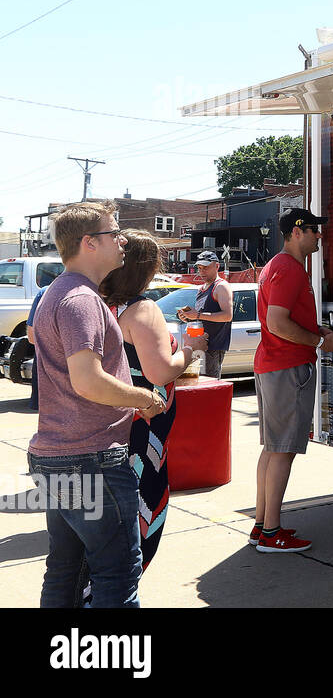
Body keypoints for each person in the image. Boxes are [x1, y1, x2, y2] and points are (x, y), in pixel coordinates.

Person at [27, 201, 165, 608]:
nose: (122, 240)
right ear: (88, 243)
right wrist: (144, 398)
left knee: (65, 572)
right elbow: (88, 381)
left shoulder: (61, 292)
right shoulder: (82, 300)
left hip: (59, 458)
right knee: (117, 575)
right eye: (113, 233)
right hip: (91, 461)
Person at [99, 230, 206, 574]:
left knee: (106, 525)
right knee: (139, 521)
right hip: (143, 432)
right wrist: (191, 351)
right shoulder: (142, 310)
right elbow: (160, 373)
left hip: (109, 426)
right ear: (147, 268)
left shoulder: (101, 305)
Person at [251, 208, 333, 553]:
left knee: (273, 448)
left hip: (273, 365)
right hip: (287, 368)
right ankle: (272, 533)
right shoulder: (289, 269)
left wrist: (317, 331)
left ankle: (262, 526)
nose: (320, 236)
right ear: (297, 231)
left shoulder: (277, 266)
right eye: (316, 230)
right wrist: (320, 342)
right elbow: (278, 323)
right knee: (283, 450)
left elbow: (283, 320)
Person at [176, 249, 232, 378]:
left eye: (205, 267)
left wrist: (197, 316)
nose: (201, 271)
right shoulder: (202, 288)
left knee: (209, 386)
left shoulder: (221, 286)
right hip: (199, 345)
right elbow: (202, 316)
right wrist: (188, 317)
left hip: (213, 348)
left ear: (217, 266)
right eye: (199, 268)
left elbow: (227, 316)